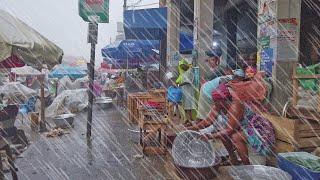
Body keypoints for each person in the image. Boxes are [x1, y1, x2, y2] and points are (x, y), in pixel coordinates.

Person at [194, 72, 275, 165]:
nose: (215, 104)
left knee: (235, 137)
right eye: (214, 101)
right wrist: (190, 129)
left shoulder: (236, 105)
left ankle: (247, 167)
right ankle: (234, 160)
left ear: (225, 100)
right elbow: (207, 121)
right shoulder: (219, 104)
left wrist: (209, 136)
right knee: (222, 133)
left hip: (257, 129)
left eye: (217, 102)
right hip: (244, 128)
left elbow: (229, 130)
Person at [178, 59, 197, 125]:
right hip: (184, 91)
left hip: (189, 91)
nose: (182, 67)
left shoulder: (190, 71)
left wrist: (180, 84)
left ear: (186, 65)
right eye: (181, 66)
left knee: (189, 106)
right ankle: (187, 119)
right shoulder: (184, 73)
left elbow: (188, 81)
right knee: (185, 106)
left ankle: (190, 120)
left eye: (183, 66)